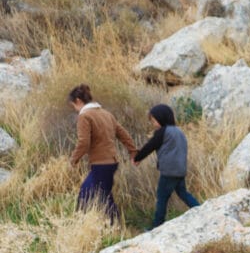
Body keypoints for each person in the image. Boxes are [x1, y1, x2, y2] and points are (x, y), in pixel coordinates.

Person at [68, 84, 137, 222]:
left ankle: (115, 226)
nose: (75, 110)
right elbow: (123, 134)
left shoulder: (85, 116)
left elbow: (83, 143)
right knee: (86, 192)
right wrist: (133, 151)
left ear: (78, 101)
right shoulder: (106, 114)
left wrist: (73, 160)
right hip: (111, 162)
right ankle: (81, 223)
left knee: (102, 196)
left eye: (73, 106)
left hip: (101, 164)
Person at [133, 103, 200, 228]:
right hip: (180, 170)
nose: (153, 123)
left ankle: (157, 225)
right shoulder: (178, 131)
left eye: (153, 120)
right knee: (183, 193)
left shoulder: (162, 132)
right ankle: (202, 211)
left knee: (162, 197)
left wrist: (138, 158)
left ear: (161, 118)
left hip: (169, 171)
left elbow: (150, 146)